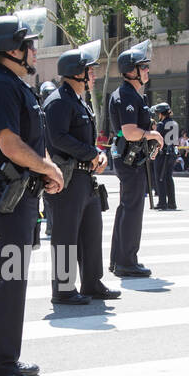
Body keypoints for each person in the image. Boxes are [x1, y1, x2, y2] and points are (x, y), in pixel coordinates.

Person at [0, 12, 63, 376]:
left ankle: (1, 354)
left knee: (6, 278)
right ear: (11, 49)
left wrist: (40, 173)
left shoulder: (10, 83)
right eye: (28, 43)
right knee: (6, 279)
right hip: (2, 198)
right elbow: (9, 143)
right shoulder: (0, 86)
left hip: (13, 194)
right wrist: (48, 167)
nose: (34, 50)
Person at [44, 47, 119, 306]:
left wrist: (98, 153)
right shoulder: (58, 101)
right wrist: (90, 153)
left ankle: (91, 282)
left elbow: (83, 139)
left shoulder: (78, 100)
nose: (94, 74)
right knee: (65, 235)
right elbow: (58, 138)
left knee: (91, 232)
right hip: (67, 178)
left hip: (85, 178)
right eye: (90, 70)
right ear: (77, 73)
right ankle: (63, 289)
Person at [107, 44, 162, 277]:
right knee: (132, 209)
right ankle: (127, 262)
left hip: (133, 158)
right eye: (143, 67)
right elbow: (129, 132)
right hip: (129, 160)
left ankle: (119, 259)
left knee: (127, 208)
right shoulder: (127, 95)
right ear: (131, 71)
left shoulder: (132, 94)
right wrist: (152, 135)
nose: (147, 71)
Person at [151, 103, 178, 210]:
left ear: (161, 113)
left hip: (163, 154)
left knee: (160, 178)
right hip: (172, 154)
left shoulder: (161, 125)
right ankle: (172, 202)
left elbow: (157, 140)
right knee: (168, 178)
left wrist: (154, 152)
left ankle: (162, 202)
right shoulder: (174, 123)